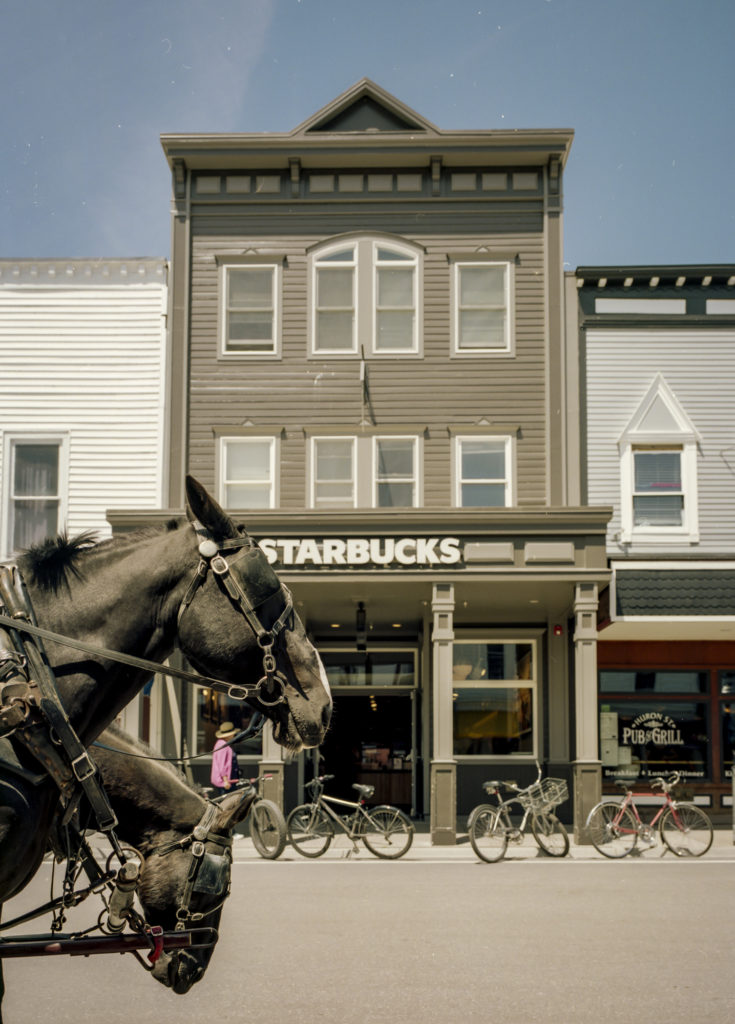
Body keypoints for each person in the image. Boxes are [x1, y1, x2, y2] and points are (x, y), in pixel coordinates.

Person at [210, 721, 240, 796]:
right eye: (233, 733)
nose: (234, 735)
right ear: (229, 735)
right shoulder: (222, 745)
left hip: (228, 781)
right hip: (224, 783)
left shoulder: (224, 744)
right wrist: (225, 781)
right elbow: (222, 765)